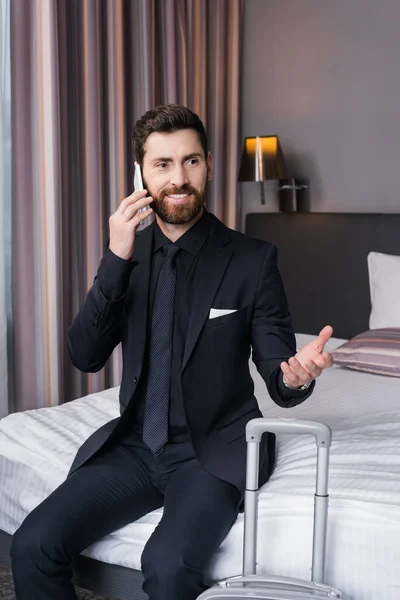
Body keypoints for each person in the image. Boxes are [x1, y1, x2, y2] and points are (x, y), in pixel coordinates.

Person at [10, 104, 334, 600]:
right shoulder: (127, 258)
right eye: (162, 164)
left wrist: (296, 375)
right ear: (140, 173)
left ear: (207, 164)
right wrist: (116, 257)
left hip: (211, 453)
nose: (178, 178)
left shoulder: (251, 259)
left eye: (191, 161)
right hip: (134, 449)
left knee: (165, 565)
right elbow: (85, 354)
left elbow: (277, 369)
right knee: (32, 543)